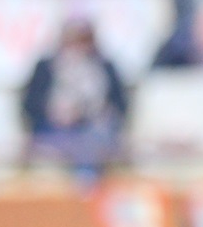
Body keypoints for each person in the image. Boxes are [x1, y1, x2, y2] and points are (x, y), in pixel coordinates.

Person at [21, 15, 127, 179]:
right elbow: (29, 106)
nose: (78, 47)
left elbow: (121, 106)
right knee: (75, 143)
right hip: (54, 129)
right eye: (72, 40)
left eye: (83, 41)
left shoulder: (105, 67)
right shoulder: (45, 67)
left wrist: (100, 112)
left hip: (94, 130)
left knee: (89, 143)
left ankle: (85, 191)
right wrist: (55, 113)